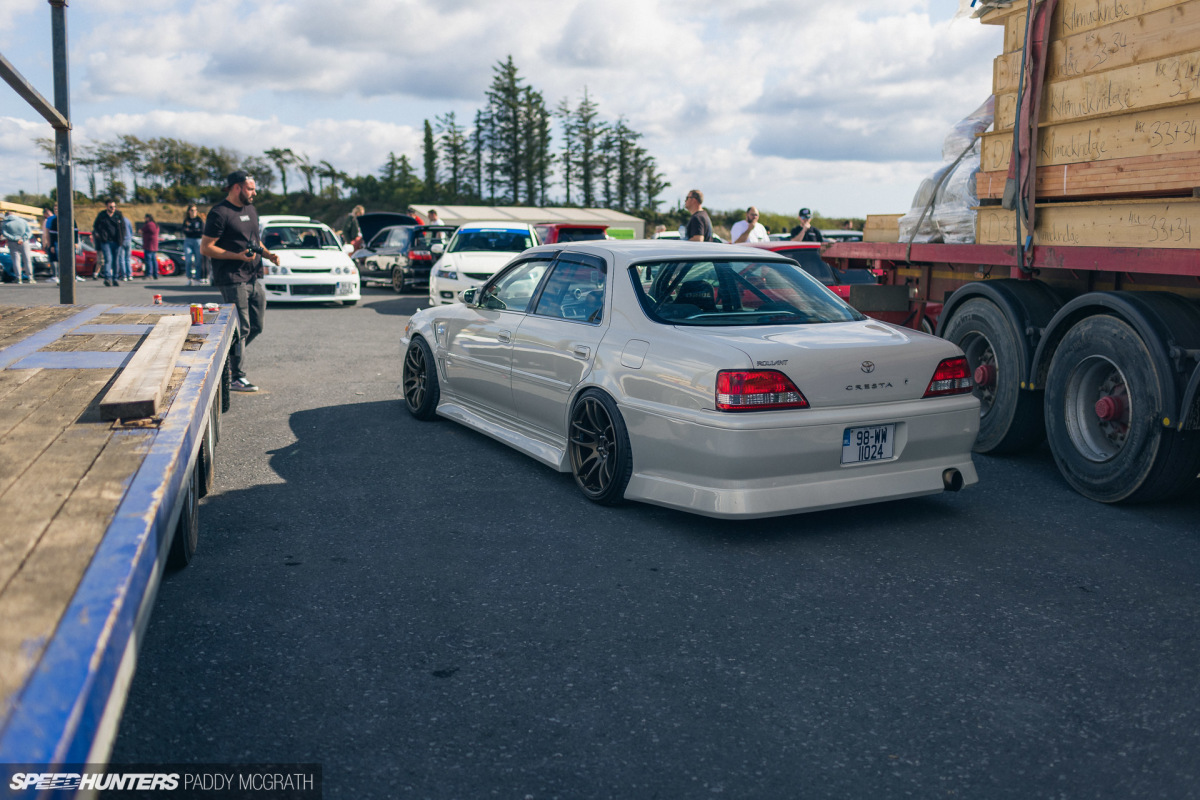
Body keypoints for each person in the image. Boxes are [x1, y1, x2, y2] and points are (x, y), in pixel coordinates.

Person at [201, 170, 280, 393]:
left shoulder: (251, 210)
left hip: (253, 276)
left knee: (257, 326)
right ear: (237, 187)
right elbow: (206, 247)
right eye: (251, 188)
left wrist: (268, 254)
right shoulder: (219, 213)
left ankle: (226, 361)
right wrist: (236, 256)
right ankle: (236, 377)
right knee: (241, 328)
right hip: (232, 278)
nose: (255, 192)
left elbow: (255, 241)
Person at [92, 199, 126, 286]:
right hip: (106, 241)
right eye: (111, 207)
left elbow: (123, 227)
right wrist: (99, 235)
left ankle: (115, 278)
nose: (113, 208)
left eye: (114, 206)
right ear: (107, 207)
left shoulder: (118, 215)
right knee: (108, 259)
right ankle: (108, 278)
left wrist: (122, 239)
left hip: (117, 241)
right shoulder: (102, 215)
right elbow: (95, 226)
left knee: (116, 260)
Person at [2, 210, 35, 283]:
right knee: (27, 259)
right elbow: (29, 232)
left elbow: (4, 233)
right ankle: (30, 277)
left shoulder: (5, 223)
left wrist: (14, 238)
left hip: (12, 242)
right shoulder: (23, 221)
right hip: (24, 242)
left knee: (16, 260)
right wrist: (23, 239)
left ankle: (18, 278)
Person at [182, 204, 204, 286]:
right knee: (188, 260)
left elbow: (202, 230)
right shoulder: (187, 220)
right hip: (188, 240)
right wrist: (194, 230)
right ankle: (189, 277)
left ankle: (197, 278)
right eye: (192, 210)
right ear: (189, 211)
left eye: (195, 210)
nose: (194, 212)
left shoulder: (199, 220)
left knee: (198, 260)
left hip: (198, 240)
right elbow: (184, 230)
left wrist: (191, 230)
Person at [142, 214, 160, 280]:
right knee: (154, 260)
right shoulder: (156, 224)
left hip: (149, 245)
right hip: (154, 245)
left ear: (148, 218)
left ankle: (149, 274)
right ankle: (155, 274)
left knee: (148, 260)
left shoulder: (149, 224)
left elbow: (142, 230)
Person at [120, 213, 134, 281]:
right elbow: (131, 231)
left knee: (122, 259)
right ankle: (130, 275)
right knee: (128, 259)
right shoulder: (127, 220)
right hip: (128, 240)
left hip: (122, 240)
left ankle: (124, 275)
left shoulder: (119, 221)